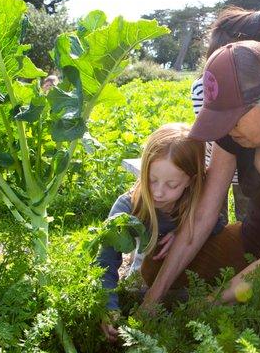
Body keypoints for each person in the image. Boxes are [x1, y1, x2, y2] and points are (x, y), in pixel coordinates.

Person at [140, 40, 260, 308]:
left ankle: (228, 298)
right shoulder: (235, 134)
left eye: (232, 120)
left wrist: (201, 309)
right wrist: (150, 302)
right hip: (250, 241)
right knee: (155, 269)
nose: (227, 130)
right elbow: (203, 216)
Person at [96, 123, 226, 342]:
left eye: (171, 185)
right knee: (138, 290)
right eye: (152, 179)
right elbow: (105, 262)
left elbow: (218, 226)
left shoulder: (197, 204)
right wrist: (108, 306)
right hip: (146, 279)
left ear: (190, 181)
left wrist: (182, 233)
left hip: (189, 280)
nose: (158, 191)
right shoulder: (129, 207)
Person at [191, 7, 260, 221]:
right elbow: (221, 137)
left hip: (254, 168)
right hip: (215, 167)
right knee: (213, 220)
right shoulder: (203, 90)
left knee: (249, 220)